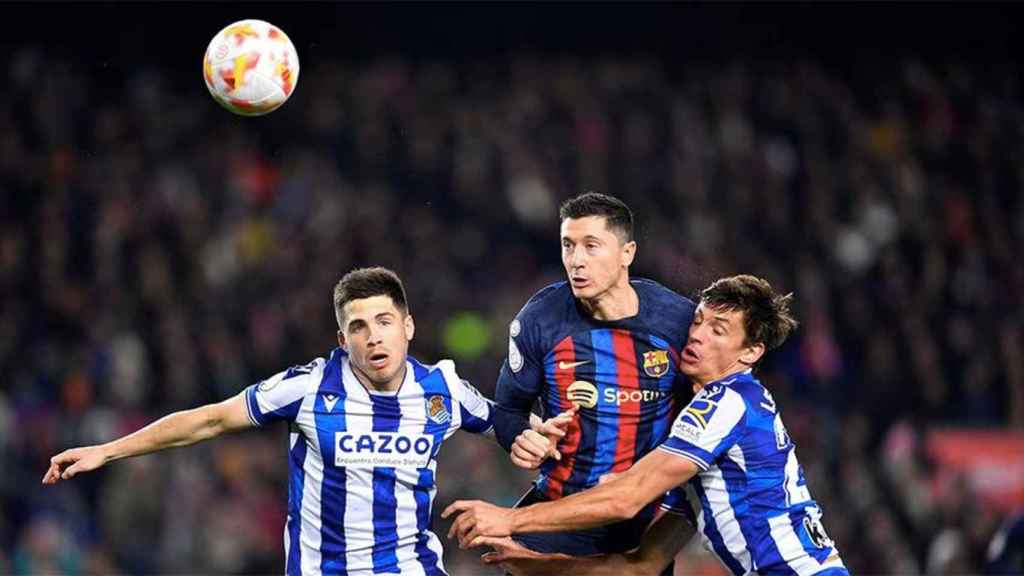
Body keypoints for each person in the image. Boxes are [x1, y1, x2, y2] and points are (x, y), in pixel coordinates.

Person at [43, 266, 570, 576]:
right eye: (358, 327)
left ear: (408, 326)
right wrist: (107, 450)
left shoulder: (443, 391)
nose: (373, 336)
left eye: (384, 322)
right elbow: (208, 420)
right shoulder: (309, 387)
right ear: (343, 340)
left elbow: (504, 422)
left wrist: (533, 433)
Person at [446, 274, 849, 576]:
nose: (698, 335)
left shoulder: (726, 403)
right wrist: (536, 561)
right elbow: (640, 568)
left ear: (751, 352)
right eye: (699, 321)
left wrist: (510, 519)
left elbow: (626, 498)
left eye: (718, 330)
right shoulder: (704, 462)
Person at [493, 191, 696, 564]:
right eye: (568, 246)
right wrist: (522, 439)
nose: (576, 261)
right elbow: (508, 409)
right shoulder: (539, 320)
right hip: (559, 514)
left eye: (591, 246)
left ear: (627, 253)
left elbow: (698, 417)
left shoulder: (678, 322)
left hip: (644, 520)